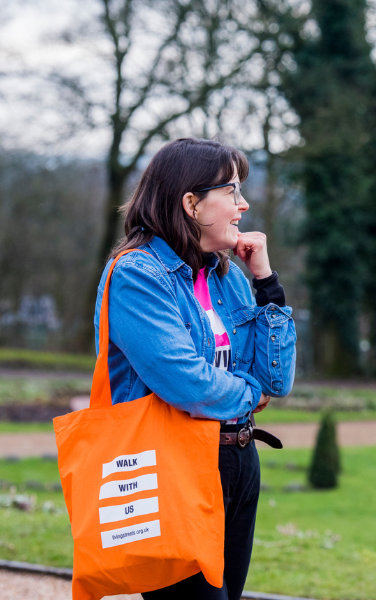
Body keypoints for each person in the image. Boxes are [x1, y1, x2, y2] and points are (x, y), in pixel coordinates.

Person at [95, 137, 296, 599]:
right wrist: (251, 396)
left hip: (239, 461)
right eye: (231, 191)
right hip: (170, 468)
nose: (243, 205)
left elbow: (278, 377)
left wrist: (266, 283)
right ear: (190, 202)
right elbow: (186, 382)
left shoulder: (229, 277)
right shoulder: (137, 275)